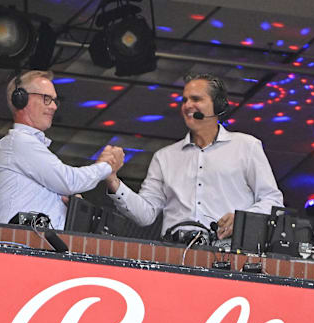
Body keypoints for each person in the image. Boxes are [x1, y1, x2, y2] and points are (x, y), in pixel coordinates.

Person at [106, 72, 284, 240]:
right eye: (185, 100)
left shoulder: (246, 146)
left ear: (218, 105)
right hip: (173, 251)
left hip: (227, 252)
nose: (187, 105)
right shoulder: (164, 157)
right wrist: (113, 181)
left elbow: (272, 201)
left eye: (196, 99)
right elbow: (146, 214)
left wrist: (243, 219)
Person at [0, 70, 124, 229]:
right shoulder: (18, 141)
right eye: (46, 99)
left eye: (55, 100)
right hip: (17, 248)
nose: (54, 106)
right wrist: (107, 165)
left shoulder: (28, 147)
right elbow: (69, 181)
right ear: (21, 99)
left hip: (36, 248)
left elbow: (64, 185)